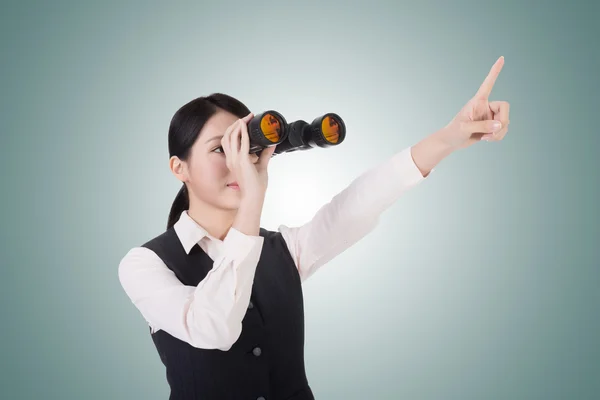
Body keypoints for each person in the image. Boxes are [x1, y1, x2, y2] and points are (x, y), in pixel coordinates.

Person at [118, 57, 511, 399]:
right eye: (222, 148)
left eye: (246, 146)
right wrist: (253, 200)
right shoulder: (144, 265)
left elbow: (362, 201)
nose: (239, 161)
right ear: (178, 168)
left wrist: (449, 137)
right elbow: (213, 329)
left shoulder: (284, 250)